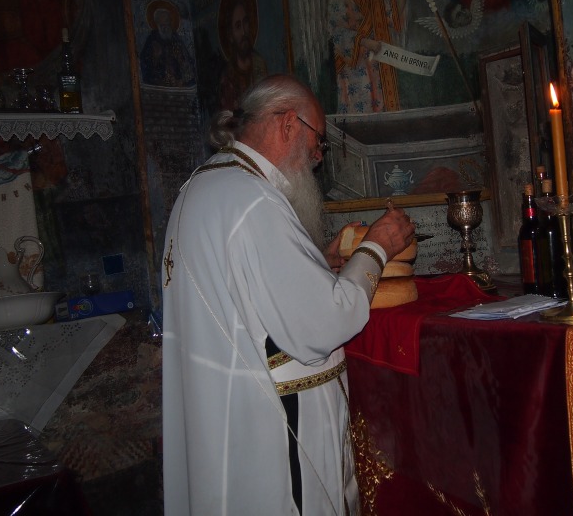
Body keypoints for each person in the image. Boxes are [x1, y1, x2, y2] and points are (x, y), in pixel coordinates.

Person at [161, 74, 415, 515]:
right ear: (287, 124)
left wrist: (315, 262)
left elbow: (252, 291)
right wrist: (377, 246)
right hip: (273, 431)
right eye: (319, 140)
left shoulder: (205, 186)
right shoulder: (254, 200)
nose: (318, 156)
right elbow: (324, 322)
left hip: (223, 420)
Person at [326, 0, 416, 114]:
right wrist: (366, 42)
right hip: (355, 68)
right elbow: (338, 34)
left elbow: (394, 13)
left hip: (379, 65)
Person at [218, 0, 268, 109]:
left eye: (245, 22)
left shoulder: (259, 64)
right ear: (230, 35)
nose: (244, 32)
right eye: (238, 26)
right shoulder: (228, 76)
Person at [140, 0, 196, 87]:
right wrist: (155, 58)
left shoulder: (176, 39)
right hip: (159, 85)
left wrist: (181, 60)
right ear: (157, 24)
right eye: (162, 25)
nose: (165, 28)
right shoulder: (152, 40)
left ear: (171, 22)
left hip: (179, 84)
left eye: (167, 23)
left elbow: (189, 64)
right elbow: (145, 66)